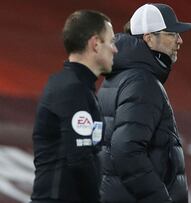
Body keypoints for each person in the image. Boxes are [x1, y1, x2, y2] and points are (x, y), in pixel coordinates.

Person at [97, 3, 191, 203]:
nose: (180, 40)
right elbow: (125, 150)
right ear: (149, 38)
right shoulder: (142, 82)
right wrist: (159, 198)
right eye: (172, 34)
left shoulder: (120, 74)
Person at [31, 10, 117, 203]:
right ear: (95, 44)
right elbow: (80, 159)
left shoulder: (78, 87)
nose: (115, 49)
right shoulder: (72, 89)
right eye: (111, 42)